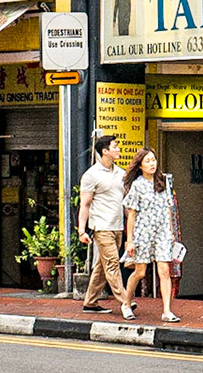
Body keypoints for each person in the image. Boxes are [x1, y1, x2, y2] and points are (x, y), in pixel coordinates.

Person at [120, 147, 180, 324]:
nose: (152, 163)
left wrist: (171, 233)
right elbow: (131, 214)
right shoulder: (137, 185)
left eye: (153, 160)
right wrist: (129, 240)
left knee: (164, 271)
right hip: (143, 233)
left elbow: (169, 209)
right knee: (140, 272)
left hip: (162, 233)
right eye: (147, 161)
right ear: (140, 165)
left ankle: (167, 311)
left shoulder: (163, 181)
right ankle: (126, 303)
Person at [77, 134, 131, 314]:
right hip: (101, 227)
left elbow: (124, 203)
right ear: (105, 151)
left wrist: (131, 226)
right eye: (115, 147)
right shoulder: (91, 175)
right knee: (113, 264)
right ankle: (125, 301)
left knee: (102, 266)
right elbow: (84, 205)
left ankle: (90, 302)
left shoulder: (121, 173)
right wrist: (82, 231)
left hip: (117, 226)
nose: (118, 149)